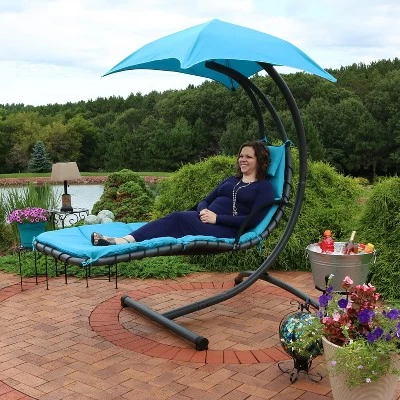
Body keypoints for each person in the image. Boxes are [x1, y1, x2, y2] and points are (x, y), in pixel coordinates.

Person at [91, 141, 275, 246]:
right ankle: (127, 239)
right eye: (241, 156)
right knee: (176, 219)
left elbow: (252, 220)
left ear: (260, 161)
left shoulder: (264, 188)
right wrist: (203, 212)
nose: (242, 159)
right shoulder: (231, 180)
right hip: (205, 220)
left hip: (227, 230)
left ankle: (122, 241)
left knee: (177, 218)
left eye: (248, 157)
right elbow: (205, 200)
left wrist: (216, 218)